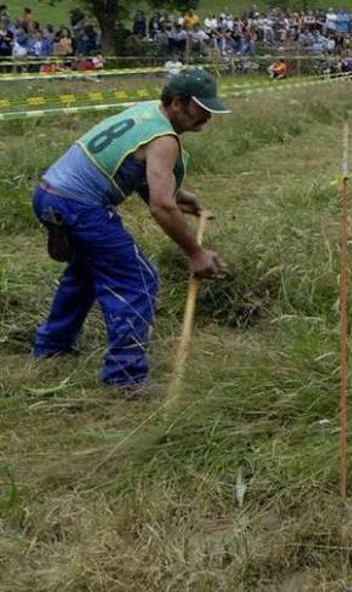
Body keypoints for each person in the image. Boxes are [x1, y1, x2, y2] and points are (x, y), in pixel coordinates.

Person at [30, 69, 229, 391]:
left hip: (48, 193)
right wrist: (195, 252)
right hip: (81, 206)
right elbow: (161, 206)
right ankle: (125, 377)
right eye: (201, 108)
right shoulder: (164, 139)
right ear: (177, 103)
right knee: (136, 278)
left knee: (85, 272)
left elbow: (133, 168)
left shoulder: (146, 113)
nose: (207, 117)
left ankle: (51, 347)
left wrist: (178, 196)